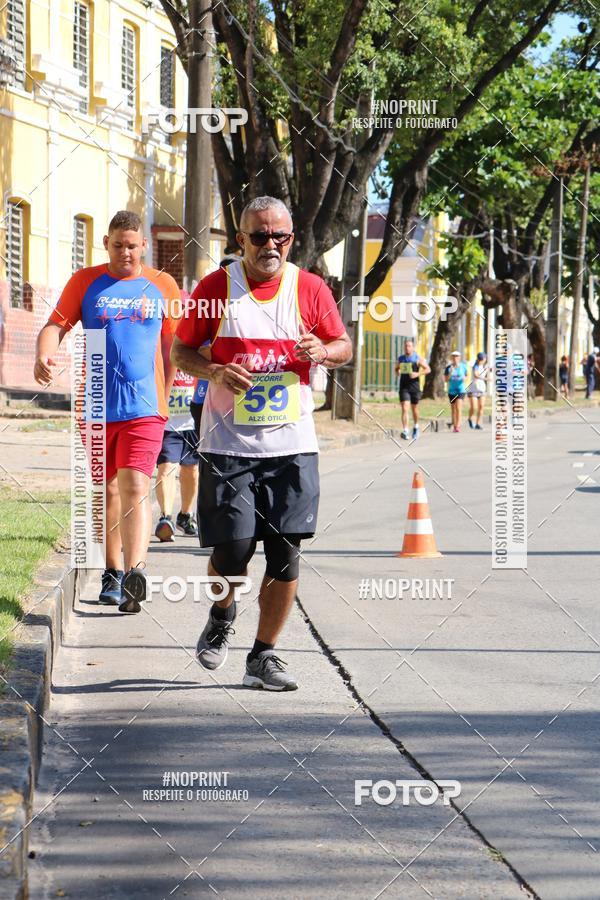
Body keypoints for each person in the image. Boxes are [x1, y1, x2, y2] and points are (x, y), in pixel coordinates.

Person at [171, 195, 352, 691]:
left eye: (280, 237)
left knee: (284, 554)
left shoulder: (310, 288)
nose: (270, 245)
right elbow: (181, 350)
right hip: (228, 444)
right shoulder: (215, 289)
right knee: (232, 550)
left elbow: (343, 345)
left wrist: (325, 350)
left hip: (292, 444)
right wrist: (213, 370)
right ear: (240, 238)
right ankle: (222, 611)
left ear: (291, 239)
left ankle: (264, 655)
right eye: (259, 236)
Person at [33, 210, 178, 612]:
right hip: (95, 405)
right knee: (107, 488)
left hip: (146, 408)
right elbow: (55, 325)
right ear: (106, 244)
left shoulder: (162, 285)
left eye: (132, 246)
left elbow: (174, 348)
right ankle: (112, 571)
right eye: (118, 245)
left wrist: (164, 396)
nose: (126, 253)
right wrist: (44, 354)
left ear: (143, 246)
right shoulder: (86, 282)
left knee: (135, 486)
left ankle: (136, 571)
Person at [154, 368, 200, 542]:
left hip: (191, 423)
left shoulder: (197, 348)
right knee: (166, 467)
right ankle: (165, 518)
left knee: (192, 471)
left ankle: (185, 516)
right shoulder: (163, 346)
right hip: (168, 425)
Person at [394, 338, 430, 440]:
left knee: (414, 409)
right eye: (405, 346)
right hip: (404, 386)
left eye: (409, 346)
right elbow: (396, 369)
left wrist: (417, 374)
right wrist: (398, 372)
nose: (407, 348)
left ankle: (416, 426)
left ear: (413, 347)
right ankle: (405, 430)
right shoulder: (401, 359)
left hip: (414, 387)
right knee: (405, 408)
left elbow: (428, 369)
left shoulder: (417, 358)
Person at [444, 350, 468, 432]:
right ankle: (454, 425)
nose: (455, 358)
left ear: (459, 358)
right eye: (453, 356)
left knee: (458, 408)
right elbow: (446, 380)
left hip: (460, 390)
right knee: (453, 409)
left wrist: (463, 377)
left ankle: (457, 426)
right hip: (451, 391)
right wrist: (450, 372)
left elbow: (466, 376)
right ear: (451, 358)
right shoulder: (448, 368)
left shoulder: (463, 366)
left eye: (457, 356)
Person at [467, 352, 489, 430]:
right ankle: (469, 418)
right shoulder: (475, 366)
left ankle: (477, 423)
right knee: (474, 407)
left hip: (482, 389)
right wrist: (486, 379)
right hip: (473, 389)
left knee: (481, 407)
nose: (483, 360)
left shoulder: (485, 366)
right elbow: (476, 375)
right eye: (483, 358)